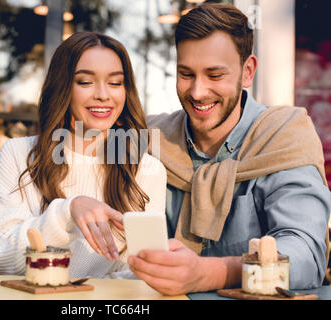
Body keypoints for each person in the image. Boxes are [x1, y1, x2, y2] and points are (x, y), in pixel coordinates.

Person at [125, 3, 330, 295]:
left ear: (247, 72)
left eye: (215, 75)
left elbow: (306, 255)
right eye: (186, 74)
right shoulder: (151, 139)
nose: (197, 92)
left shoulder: (283, 135)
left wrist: (212, 273)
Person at [0, 32, 167, 279]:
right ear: (63, 88)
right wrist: (66, 212)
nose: (103, 94)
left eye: (115, 83)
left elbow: (141, 273)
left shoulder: (147, 170)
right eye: (85, 82)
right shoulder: (19, 154)